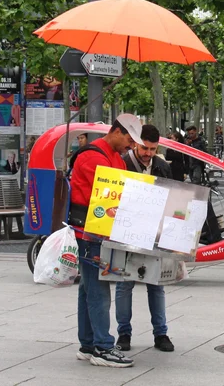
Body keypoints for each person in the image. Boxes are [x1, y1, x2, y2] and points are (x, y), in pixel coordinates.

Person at [69, 113, 142, 368]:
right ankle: (102, 347)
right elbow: (107, 198)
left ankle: (88, 344)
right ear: (117, 131)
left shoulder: (114, 158)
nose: (131, 146)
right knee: (98, 290)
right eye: (130, 140)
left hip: (99, 231)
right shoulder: (92, 156)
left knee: (88, 288)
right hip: (89, 233)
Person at [116, 125, 174, 353]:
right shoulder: (121, 163)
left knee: (156, 285)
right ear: (135, 143)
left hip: (154, 234)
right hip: (125, 231)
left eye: (153, 149)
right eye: (144, 148)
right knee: (124, 284)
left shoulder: (161, 166)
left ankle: (161, 333)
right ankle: (124, 333)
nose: (148, 153)